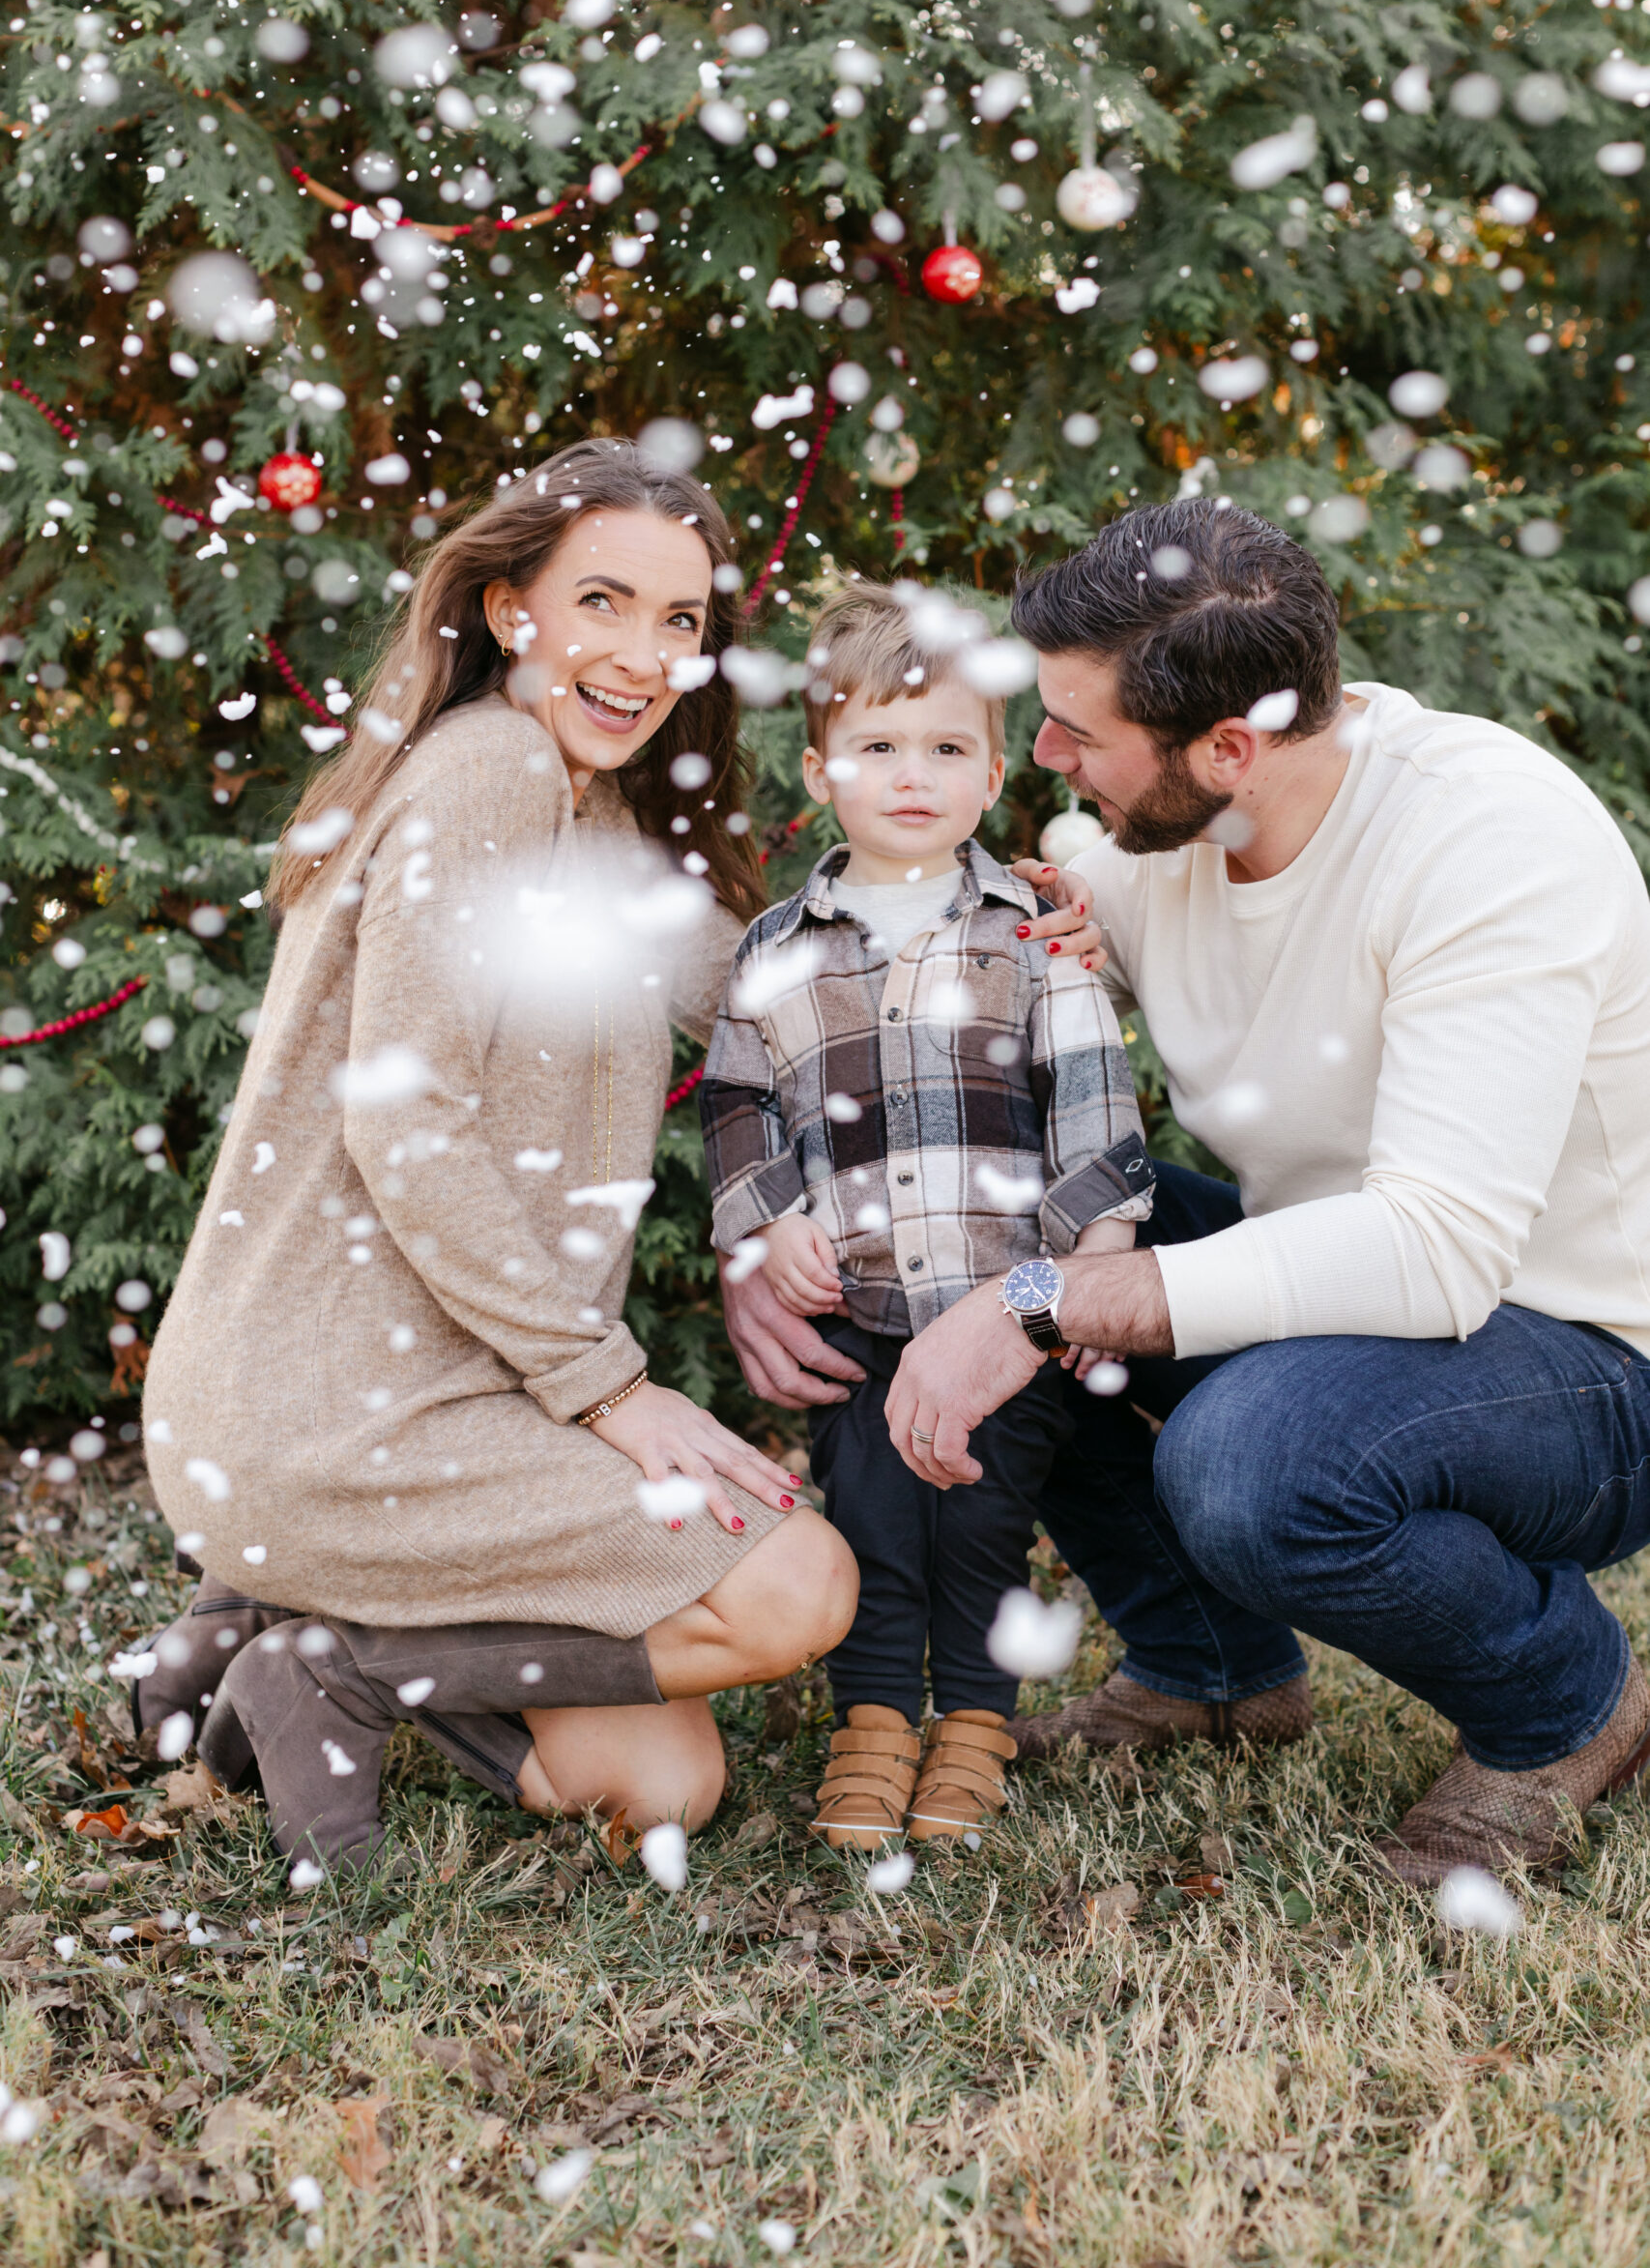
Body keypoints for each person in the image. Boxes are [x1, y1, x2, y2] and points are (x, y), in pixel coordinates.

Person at [724, 498, 1650, 1888]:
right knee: (1001, 1232)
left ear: (1230, 747)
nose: (1043, 757)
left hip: (1580, 1356)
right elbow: (1007, 911)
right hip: (1348, 1283)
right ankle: (1214, 1673)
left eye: (1079, 735)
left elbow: (1440, 1250)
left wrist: (1039, 1300)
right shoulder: (1161, 833)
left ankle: (1566, 1710)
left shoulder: (1488, 847)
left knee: (1248, 1465)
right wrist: (768, 1235)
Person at [137, 439, 859, 1874]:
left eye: (681, 623)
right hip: (330, 1409)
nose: (643, 656)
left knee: (657, 1791)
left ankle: (299, 1636)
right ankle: (314, 1642)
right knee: (791, 1588)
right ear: (513, 606)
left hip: (448, 1398)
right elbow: (402, 1121)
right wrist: (609, 1394)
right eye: (604, 601)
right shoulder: (486, 778)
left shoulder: (583, 810)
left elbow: (764, 1002)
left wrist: (985, 927)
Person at [698, 586, 1153, 1849]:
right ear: (819, 767)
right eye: (879, 749)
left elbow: (1095, 1105)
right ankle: (878, 1722)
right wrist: (765, 1220)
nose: (913, 777)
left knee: (981, 1524)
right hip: (853, 1310)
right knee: (875, 1527)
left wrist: (1090, 1271)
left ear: (994, 768)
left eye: (948, 749)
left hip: (1001, 1309)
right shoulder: (776, 951)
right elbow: (738, 1099)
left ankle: (973, 1729)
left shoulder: (1035, 939)